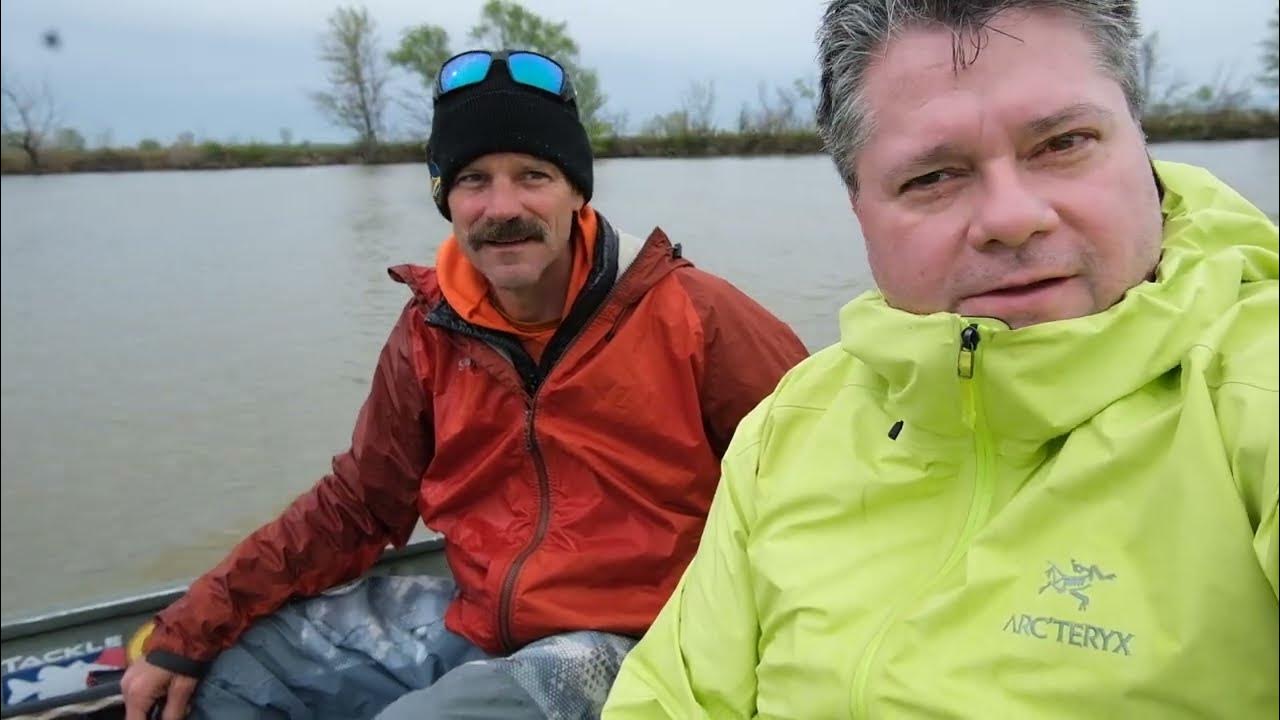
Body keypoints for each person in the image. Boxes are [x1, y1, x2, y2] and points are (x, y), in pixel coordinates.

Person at [603, 1, 1279, 717]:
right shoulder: (791, 422)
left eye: (1064, 143)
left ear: (1141, 146)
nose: (1012, 217)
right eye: (932, 178)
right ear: (859, 214)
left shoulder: (1253, 383)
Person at [120, 48, 808, 720]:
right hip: (482, 626)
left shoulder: (696, 315)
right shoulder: (429, 330)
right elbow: (358, 506)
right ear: (445, 197)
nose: (502, 206)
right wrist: (192, 629)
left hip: (645, 646)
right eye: (474, 179)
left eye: (533, 175)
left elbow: (817, 499)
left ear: (576, 190)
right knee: (236, 671)